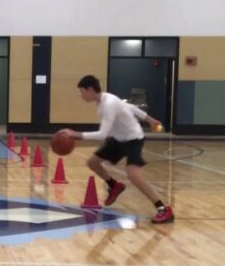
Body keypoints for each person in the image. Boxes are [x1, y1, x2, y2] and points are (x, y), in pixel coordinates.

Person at [60, 75, 174, 224]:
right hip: (118, 138)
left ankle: (163, 209)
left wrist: (75, 134)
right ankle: (114, 186)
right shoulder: (104, 100)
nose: (81, 95)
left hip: (133, 139)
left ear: (90, 89)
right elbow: (129, 107)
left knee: (133, 174)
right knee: (93, 162)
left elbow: (102, 134)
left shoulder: (109, 103)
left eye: (82, 91)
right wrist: (150, 120)